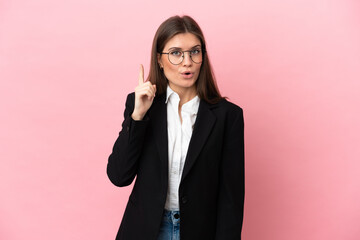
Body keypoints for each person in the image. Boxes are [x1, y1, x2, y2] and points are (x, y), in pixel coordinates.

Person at [107, 15, 245, 240]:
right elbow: (118, 175)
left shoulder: (228, 116)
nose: (187, 61)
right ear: (159, 60)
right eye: (176, 53)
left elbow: (231, 198)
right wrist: (138, 116)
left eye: (195, 51)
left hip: (200, 231)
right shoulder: (141, 105)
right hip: (146, 229)